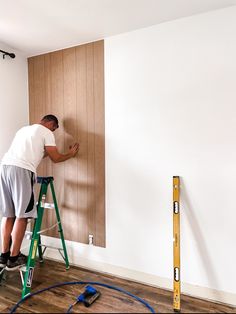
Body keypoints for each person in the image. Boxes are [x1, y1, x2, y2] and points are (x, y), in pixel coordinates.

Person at [0, 114, 79, 271]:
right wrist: (71, 154)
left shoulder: (25, 130)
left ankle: (4, 255)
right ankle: (14, 259)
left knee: (9, 214)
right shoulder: (46, 132)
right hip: (22, 171)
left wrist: (47, 152)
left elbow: (37, 153)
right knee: (23, 215)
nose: (54, 132)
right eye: (55, 129)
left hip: (5, 167)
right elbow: (55, 158)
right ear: (51, 123)